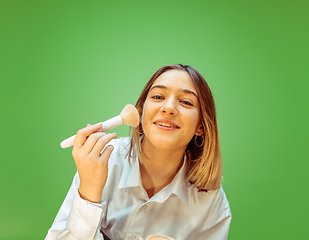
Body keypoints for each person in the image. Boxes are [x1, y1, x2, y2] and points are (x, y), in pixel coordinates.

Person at [45, 64, 232, 240]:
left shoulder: (212, 201)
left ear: (201, 125)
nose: (168, 108)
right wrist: (89, 193)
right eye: (158, 97)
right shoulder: (102, 160)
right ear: (140, 112)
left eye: (185, 102)